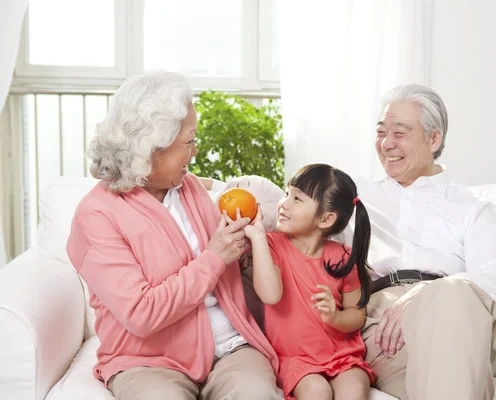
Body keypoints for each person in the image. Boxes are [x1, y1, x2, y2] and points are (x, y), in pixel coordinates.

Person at [66, 71, 281, 400]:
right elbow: (141, 313)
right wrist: (214, 258)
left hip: (230, 350)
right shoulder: (96, 215)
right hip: (148, 361)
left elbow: (228, 266)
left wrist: (244, 250)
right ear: (152, 148)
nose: (194, 152)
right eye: (189, 141)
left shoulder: (188, 186)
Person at [349, 84, 496, 400]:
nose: (386, 143)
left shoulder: (474, 209)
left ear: (434, 139)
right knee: (449, 367)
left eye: (400, 133)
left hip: (468, 319)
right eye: (381, 131)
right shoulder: (355, 194)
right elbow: (297, 210)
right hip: (386, 326)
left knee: (454, 298)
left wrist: (429, 292)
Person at [236, 164, 375, 400]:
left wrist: (335, 317)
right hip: (296, 360)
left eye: (297, 199)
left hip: (343, 355)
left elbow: (356, 315)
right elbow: (270, 295)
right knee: (317, 392)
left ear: (326, 218)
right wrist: (258, 236)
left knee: (354, 389)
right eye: (286, 193)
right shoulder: (271, 245)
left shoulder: (343, 257)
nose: (284, 203)